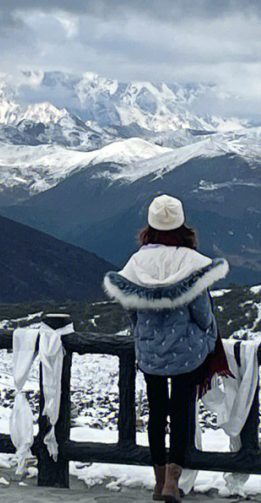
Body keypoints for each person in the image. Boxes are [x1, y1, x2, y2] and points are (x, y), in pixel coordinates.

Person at [103, 194, 230, 503]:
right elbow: (202, 314)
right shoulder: (190, 263)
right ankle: (174, 480)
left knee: (157, 413)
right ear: (181, 224)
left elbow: (131, 309)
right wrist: (209, 335)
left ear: (150, 226)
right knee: (181, 412)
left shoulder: (137, 263)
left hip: (149, 353)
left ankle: (159, 482)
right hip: (186, 353)